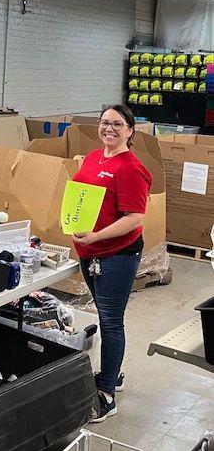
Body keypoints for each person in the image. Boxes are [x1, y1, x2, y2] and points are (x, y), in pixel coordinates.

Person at [71, 104, 151, 423]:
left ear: (130, 130)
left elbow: (135, 218)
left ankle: (106, 393)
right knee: (105, 316)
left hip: (116, 254)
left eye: (117, 124)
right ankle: (111, 372)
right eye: (105, 123)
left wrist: (97, 237)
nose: (109, 129)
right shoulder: (94, 157)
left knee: (110, 321)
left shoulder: (131, 167)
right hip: (89, 250)